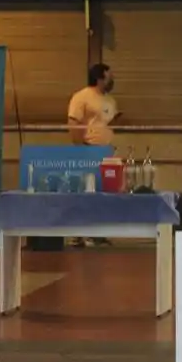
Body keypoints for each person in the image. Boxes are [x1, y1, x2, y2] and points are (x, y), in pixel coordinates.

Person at [67, 63, 118, 248]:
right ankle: (81, 234)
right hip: (88, 150)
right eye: (109, 76)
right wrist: (80, 149)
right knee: (86, 192)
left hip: (107, 152)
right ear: (100, 78)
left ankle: (99, 232)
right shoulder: (81, 97)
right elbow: (73, 123)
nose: (112, 80)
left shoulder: (110, 101)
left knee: (103, 194)